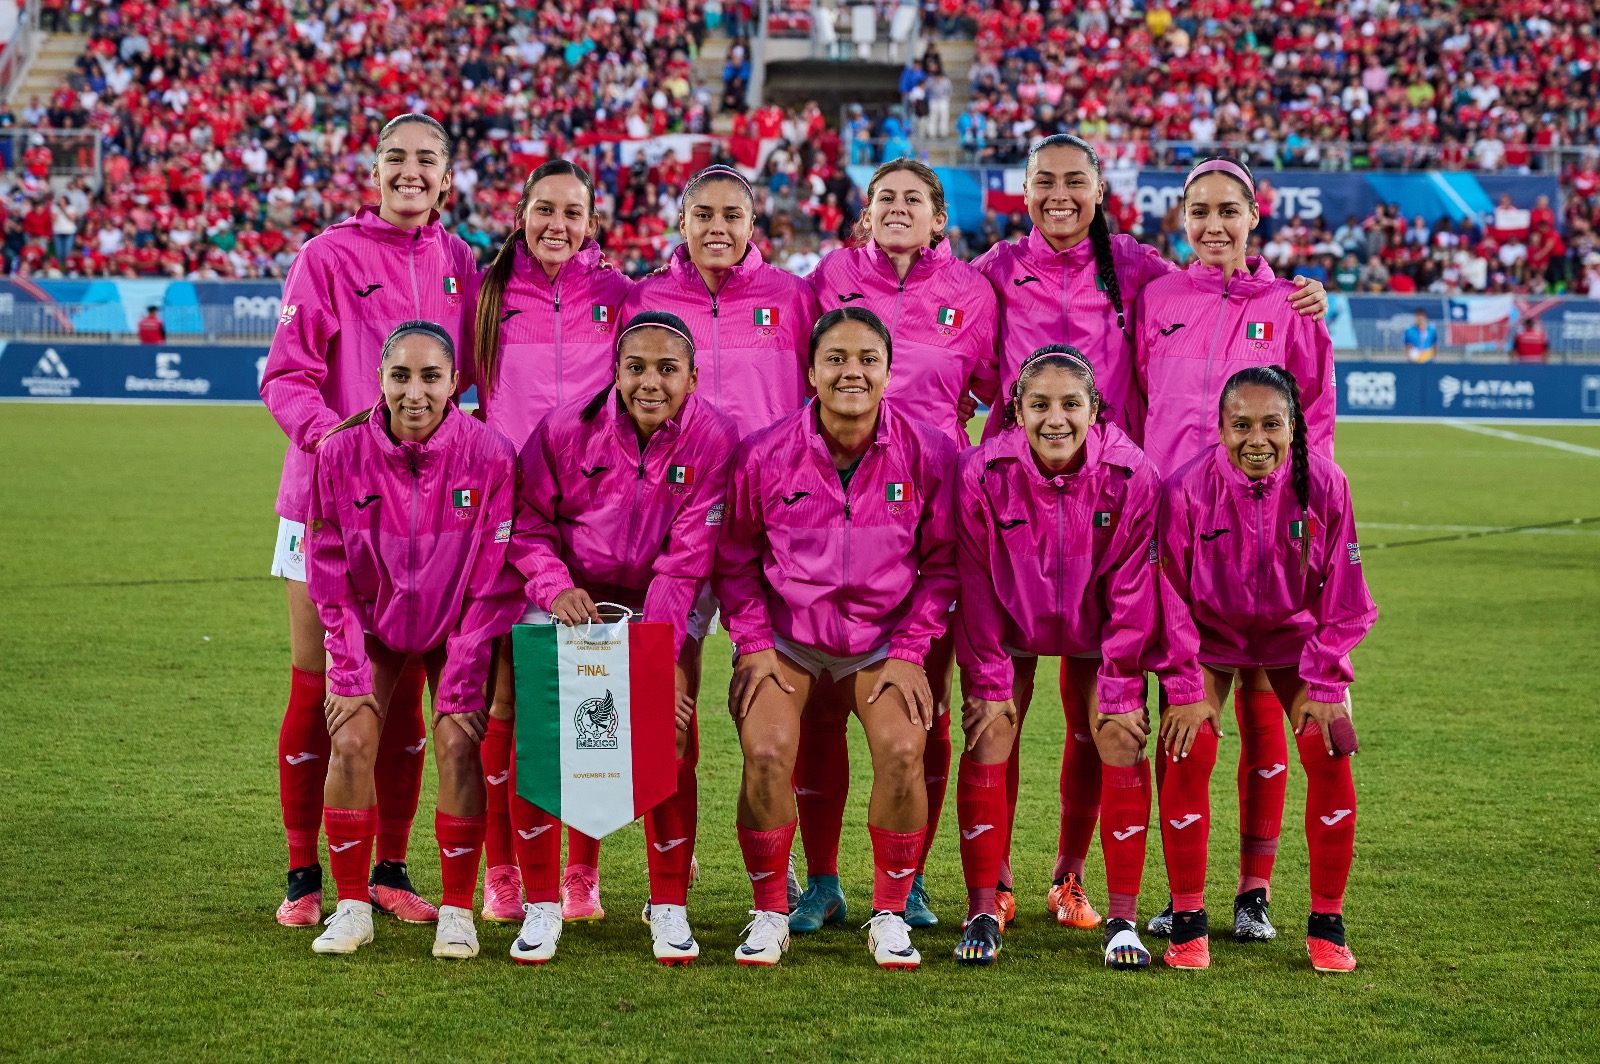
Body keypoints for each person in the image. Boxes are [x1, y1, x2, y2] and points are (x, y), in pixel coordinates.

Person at [972, 137, 1325, 932]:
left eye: (1075, 182)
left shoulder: (1138, 272)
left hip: (1128, 516)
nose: (1059, 196)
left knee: (1113, 703)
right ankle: (992, 881)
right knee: (1005, 699)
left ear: (1103, 190)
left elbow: (1313, 411)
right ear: (1023, 190)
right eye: (1044, 183)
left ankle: (1106, 880)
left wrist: (1299, 298)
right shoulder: (997, 268)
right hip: (1036, 505)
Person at [260, 114, 480, 929]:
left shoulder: (463, 264)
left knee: (412, 683)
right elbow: (286, 378)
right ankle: (301, 872)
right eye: (396, 158)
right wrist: (335, 439)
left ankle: (387, 868)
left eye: (427, 159)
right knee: (322, 685)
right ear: (375, 169)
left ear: (447, 178)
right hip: (328, 500)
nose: (410, 171)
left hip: (430, 512)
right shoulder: (326, 256)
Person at [716, 308, 958, 969]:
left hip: (881, 641)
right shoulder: (764, 453)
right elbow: (735, 560)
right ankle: (769, 913)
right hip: (789, 639)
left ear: (888, 370)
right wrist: (755, 644)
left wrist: (911, 652)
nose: (852, 370)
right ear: (811, 370)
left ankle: (888, 913)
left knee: (906, 751)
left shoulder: (932, 452)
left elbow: (942, 566)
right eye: (836, 359)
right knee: (765, 752)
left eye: (867, 359)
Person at [1137, 156, 1337, 943]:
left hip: (1265, 532)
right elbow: (1134, 399)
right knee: (1182, 711)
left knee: (1261, 712)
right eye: (1200, 212)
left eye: (1229, 210)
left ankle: (1253, 893)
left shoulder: (1292, 305)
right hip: (1177, 529)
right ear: (1181, 219)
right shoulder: (1157, 297)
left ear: (1255, 216)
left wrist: (1301, 510)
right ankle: (1184, 893)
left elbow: (1314, 415)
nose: (1214, 225)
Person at [796, 159, 1000, 932]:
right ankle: (821, 880)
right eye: (885, 198)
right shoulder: (830, 275)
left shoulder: (973, 293)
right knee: (822, 707)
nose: (899, 208)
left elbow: (985, 387)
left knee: (925, 705)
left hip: (930, 511)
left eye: (914, 199)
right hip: (831, 504)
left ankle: (907, 879)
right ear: (866, 212)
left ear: (940, 216)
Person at [501, 311, 739, 966]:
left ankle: (669, 907)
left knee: (670, 731)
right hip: (572, 595)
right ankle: (543, 905)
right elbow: (526, 521)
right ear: (615, 371)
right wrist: (553, 588)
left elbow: (686, 560)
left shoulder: (716, 439)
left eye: (668, 369)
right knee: (544, 739)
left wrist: (651, 662)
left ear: (693, 376)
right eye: (636, 367)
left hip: (661, 601)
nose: (650, 382)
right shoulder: (563, 431)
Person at [305, 321, 522, 959]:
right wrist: (346, 672)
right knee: (349, 739)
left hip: (458, 624)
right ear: (381, 380)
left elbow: (494, 578)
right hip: (372, 623)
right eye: (401, 376)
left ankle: (458, 910)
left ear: (455, 382)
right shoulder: (340, 453)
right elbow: (329, 569)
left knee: (459, 743)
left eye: (431, 377)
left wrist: (461, 677)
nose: (415, 393)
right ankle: (350, 907)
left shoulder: (490, 453)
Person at [1155, 365, 1376, 971]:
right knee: (1186, 742)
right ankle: (1188, 918)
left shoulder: (1327, 485)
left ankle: (1327, 922)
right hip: (1209, 638)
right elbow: (1169, 593)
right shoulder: (1186, 489)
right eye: (1241, 425)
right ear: (1219, 429)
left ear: (1294, 427)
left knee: (1329, 744)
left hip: (1295, 639)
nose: (1257, 439)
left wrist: (1328, 682)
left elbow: (1347, 597)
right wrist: (1183, 685)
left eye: (1272, 424)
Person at [953, 346, 1162, 968]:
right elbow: (975, 584)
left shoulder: (1132, 475)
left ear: (1095, 410)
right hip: (1012, 619)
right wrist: (989, 682)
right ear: (1015, 410)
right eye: (1039, 405)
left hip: (1099, 629)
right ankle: (986, 904)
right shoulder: (981, 472)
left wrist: (1122, 687)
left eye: (1071, 405)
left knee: (1116, 736)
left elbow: (1132, 593)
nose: (1055, 419)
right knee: (992, 732)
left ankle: (1113, 913)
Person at [469, 159, 635, 926]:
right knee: (510, 698)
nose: (557, 225)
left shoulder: (619, 297)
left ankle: (582, 871)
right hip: (509, 517)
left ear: (592, 221)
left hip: (595, 515)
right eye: (544, 209)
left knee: (591, 701)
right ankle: (503, 870)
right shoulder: (490, 294)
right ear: (522, 214)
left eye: (573, 211)